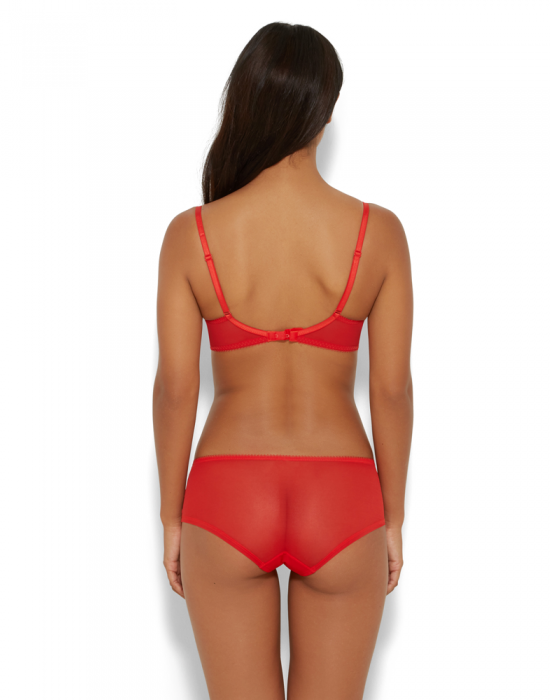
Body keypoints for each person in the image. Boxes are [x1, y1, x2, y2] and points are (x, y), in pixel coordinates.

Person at [152, 22, 413, 700]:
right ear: (323, 113)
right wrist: (392, 518)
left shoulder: (191, 235)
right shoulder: (379, 233)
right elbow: (390, 390)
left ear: (246, 103)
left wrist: (172, 517)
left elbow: (176, 389)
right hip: (342, 495)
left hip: (227, 493)